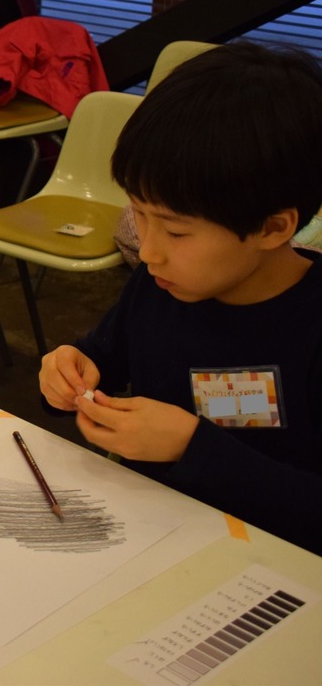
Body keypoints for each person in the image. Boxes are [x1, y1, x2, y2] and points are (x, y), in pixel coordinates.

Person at [38, 42, 322, 555]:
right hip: (149, 536)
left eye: (176, 231)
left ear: (273, 227)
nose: (147, 251)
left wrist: (193, 448)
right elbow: (103, 358)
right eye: (138, 214)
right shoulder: (160, 286)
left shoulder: (310, 326)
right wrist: (70, 371)